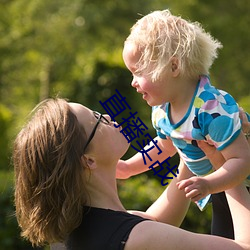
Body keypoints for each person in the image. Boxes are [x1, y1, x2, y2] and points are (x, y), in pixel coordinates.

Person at [13, 98, 250, 250]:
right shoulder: (138, 238)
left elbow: (156, 221)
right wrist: (227, 165)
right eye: (97, 120)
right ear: (88, 160)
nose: (107, 116)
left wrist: (189, 140)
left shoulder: (72, 234)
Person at [120, 9, 250, 239]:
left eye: (138, 72)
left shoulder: (210, 109)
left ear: (173, 67)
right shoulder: (162, 109)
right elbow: (165, 145)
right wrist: (130, 167)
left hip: (239, 186)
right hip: (220, 189)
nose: (133, 82)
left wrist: (209, 184)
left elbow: (242, 160)